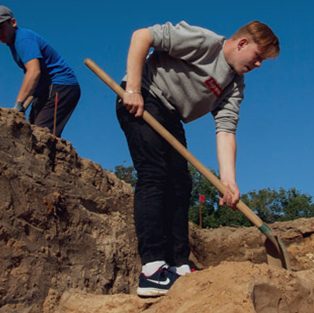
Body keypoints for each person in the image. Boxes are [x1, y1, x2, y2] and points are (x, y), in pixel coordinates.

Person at [117, 20, 280, 297]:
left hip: (172, 116)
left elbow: (226, 130)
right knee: (155, 175)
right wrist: (132, 89)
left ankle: (179, 265)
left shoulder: (235, 85)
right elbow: (141, 36)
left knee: (181, 185)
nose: (259, 65)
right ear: (242, 43)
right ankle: (152, 269)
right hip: (144, 97)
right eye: (258, 57)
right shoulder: (205, 43)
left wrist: (228, 180)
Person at [0, 5, 80, 137]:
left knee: (41, 134)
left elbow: (34, 72)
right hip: (45, 89)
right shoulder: (13, 43)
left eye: (0, 27)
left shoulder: (23, 39)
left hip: (61, 87)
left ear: (13, 22)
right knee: (31, 130)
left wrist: (18, 104)